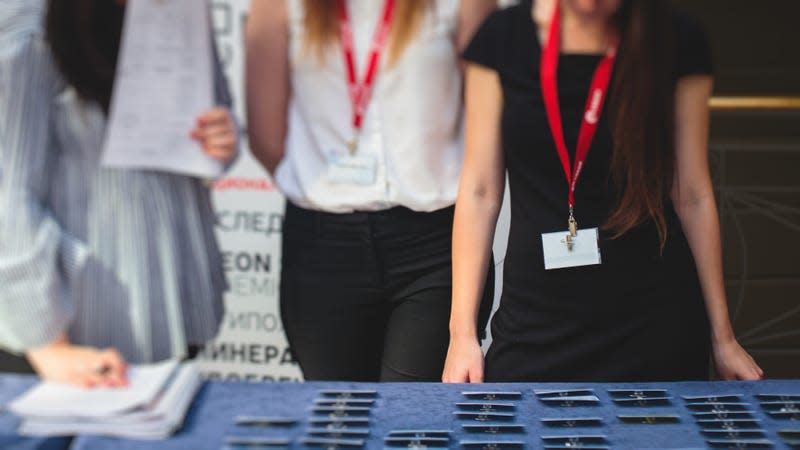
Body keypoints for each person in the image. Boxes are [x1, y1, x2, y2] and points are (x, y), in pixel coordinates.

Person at [443, 0, 764, 382]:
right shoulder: (502, 39)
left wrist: (723, 338)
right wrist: (461, 335)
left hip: (654, 329)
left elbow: (692, 192)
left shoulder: (677, 39)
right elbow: (480, 190)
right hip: (534, 326)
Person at [246, 0, 496, 381]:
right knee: (338, 426)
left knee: (411, 429)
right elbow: (266, 136)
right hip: (322, 251)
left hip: (434, 250)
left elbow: (486, 134)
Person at [0, 0, 237, 387]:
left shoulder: (178, 10)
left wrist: (223, 137)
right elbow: (7, 192)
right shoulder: (25, 23)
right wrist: (46, 342)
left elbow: (215, 120)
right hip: (76, 334)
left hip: (174, 302)